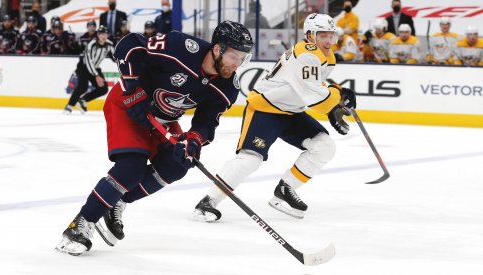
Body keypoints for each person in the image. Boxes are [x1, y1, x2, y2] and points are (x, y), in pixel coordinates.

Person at [55, 21, 254, 255]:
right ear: (218, 49)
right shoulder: (180, 47)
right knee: (131, 167)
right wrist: (132, 90)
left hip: (163, 118)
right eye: (234, 56)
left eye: (243, 58)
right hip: (128, 104)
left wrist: (193, 140)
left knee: (178, 164)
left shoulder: (228, 86)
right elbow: (129, 46)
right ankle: (80, 224)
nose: (237, 64)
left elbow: (207, 121)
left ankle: (117, 201)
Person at [192, 13, 357, 222]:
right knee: (251, 159)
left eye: (330, 35)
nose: (328, 40)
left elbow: (312, 85)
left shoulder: (325, 56)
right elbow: (314, 96)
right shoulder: (307, 53)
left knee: (324, 146)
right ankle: (208, 201)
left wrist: (337, 92)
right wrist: (336, 100)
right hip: (266, 108)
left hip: (290, 111)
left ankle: (285, 190)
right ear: (309, 36)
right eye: (322, 35)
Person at [63, 25, 114, 114]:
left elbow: (115, 57)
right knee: (83, 86)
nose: (103, 36)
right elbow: (88, 61)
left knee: (103, 89)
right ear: (98, 35)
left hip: (95, 67)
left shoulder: (109, 44)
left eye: (105, 34)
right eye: (101, 34)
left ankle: (83, 100)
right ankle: (69, 105)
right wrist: (97, 75)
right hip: (83, 67)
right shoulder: (92, 45)